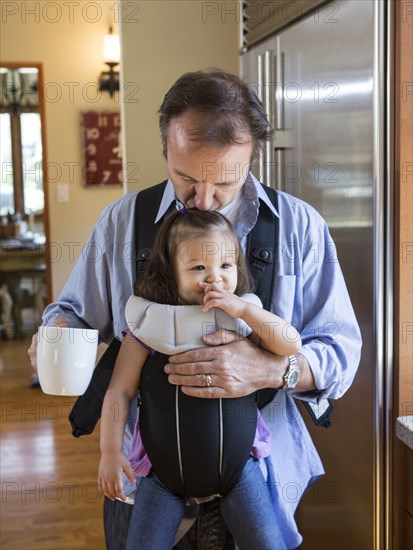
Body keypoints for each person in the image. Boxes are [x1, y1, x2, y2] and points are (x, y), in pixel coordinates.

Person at [28, 69, 362, 549]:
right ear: (165, 147)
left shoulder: (299, 229)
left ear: (254, 156)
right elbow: (74, 314)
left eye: (225, 181)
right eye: (186, 177)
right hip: (143, 484)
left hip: (260, 483)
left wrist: (272, 370)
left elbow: (340, 353)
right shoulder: (123, 223)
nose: (203, 200)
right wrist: (54, 331)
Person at [98, 208, 301, 549]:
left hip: (240, 470)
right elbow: (118, 391)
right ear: (170, 273)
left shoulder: (245, 317)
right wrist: (108, 451)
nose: (215, 279)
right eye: (198, 268)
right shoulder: (147, 326)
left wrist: (247, 311)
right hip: (162, 475)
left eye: (225, 266)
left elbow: (289, 344)